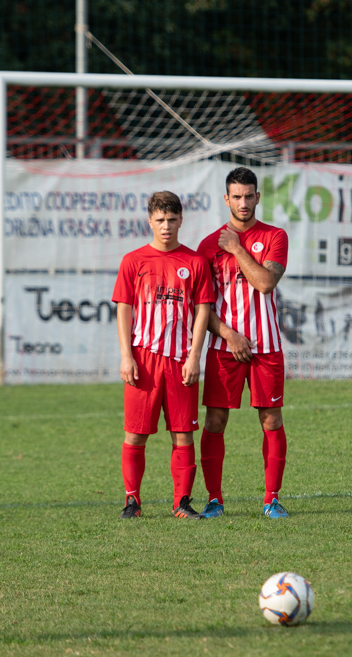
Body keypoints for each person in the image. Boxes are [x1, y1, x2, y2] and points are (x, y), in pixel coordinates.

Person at [112, 192, 214, 519]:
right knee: (135, 433)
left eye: (172, 220)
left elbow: (202, 312)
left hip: (179, 358)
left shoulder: (194, 262)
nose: (166, 226)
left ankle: (181, 502)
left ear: (181, 220)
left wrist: (195, 356)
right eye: (160, 220)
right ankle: (132, 500)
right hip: (143, 359)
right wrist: (126, 356)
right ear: (149, 221)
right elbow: (124, 310)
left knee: (183, 433)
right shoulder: (133, 261)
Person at [196, 167, 290, 519]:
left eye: (249, 195)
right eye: (237, 196)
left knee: (271, 421)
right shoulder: (207, 247)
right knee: (215, 422)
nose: (243, 202)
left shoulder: (275, 236)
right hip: (224, 348)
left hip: (266, 346)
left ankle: (272, 499)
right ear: (226, 199)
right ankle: (214, 499)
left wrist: (236, 248)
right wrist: (229, 334)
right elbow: (201, 306)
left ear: (258, 197)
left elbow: (265, 283)